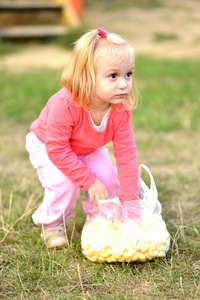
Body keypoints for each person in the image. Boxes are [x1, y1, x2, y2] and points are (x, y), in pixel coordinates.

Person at [25, 28, 140, 248]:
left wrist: (130, 201)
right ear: (86, 76)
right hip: (49, 145)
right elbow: (57, 150)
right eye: (113, 76)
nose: (124, 83)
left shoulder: (120, 110)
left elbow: (126, 156)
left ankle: (99, 221)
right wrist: (88, 180)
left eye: (129, 74)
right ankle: (53, 224)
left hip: (86, 147)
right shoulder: (65, 104)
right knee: (64, 183)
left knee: (107, 178)